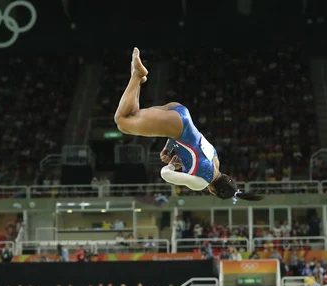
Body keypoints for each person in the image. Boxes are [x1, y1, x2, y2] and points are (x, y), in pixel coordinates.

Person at [113, 48, 263, 203]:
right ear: (213, 192)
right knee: (121, 120)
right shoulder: (201, 183)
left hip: (181, 114)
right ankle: (137, 75)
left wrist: (168, 149)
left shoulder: (216, 160)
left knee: (127, 121)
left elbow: (191, 141)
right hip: (177, 127)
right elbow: (165, 175)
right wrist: (171, 166)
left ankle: (137, 77)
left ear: (226, 176)